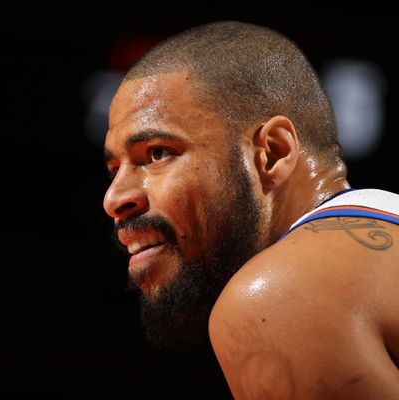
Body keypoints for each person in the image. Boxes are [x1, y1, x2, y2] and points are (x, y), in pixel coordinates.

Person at [102, 20, 399, 399]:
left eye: (158, 153)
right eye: (114, 169)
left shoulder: (282, 296)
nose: (113, 199)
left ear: (272, 153)